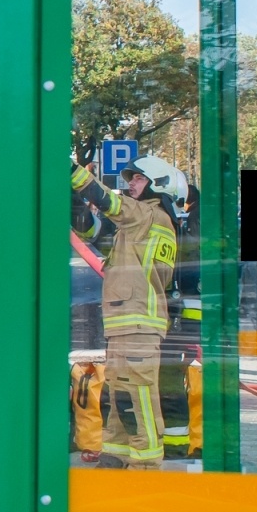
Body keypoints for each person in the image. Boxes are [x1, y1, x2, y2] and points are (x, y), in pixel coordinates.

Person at [70, 155, 181, 468]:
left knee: (139, 397)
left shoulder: (149, 216)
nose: (130, 184)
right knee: (119, 393)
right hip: (127, 323)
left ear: (158, 186)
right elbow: (94, 231)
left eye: (138, 179)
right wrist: (73, 202)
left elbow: (107, 201)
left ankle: (146, 465)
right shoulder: (138, 224)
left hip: (139, 322)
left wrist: (67, 170)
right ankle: (117, 455)